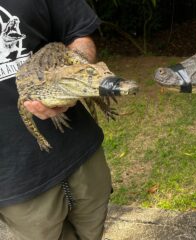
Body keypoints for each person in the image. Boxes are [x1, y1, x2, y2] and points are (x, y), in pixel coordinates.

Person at [0, 0, 112, 239]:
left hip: (81, 148)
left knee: (94, 231)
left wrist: (75, 78)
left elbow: (79, 32)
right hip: (13, 178)